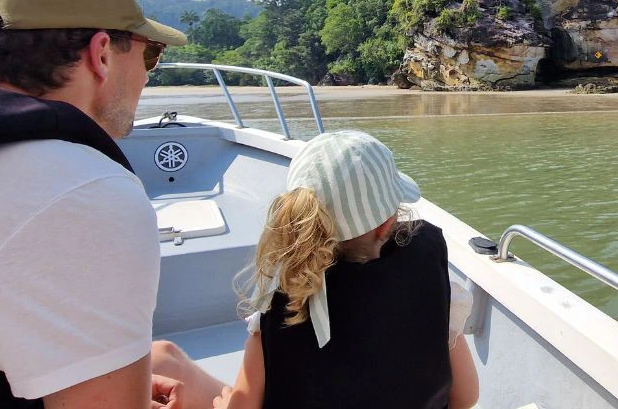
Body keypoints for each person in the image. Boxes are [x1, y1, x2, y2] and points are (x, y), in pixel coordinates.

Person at [0, 0, 221, 408]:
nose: (148, 77)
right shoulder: (79, 190)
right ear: (101, 53)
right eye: (150, 55)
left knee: (163, 358)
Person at [156, 130, 480, 409]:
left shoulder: (280, 306)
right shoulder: (428, 275)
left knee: (162, 357)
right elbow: (466, 397)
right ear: (386, 224)